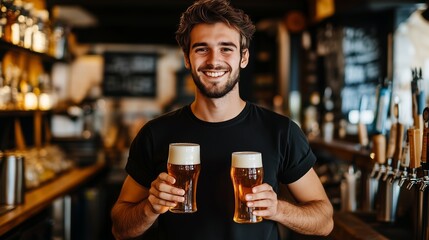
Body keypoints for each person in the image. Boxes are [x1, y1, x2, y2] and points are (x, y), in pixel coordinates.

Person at [110, 0, 334, 239]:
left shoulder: (281, 131)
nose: (214, 60)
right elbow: (119, 228)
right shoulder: (155, 134)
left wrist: (278, 209)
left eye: (226, 48)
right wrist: (149, 208)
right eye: (201, 49)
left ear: (244, 57)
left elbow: (324, 220)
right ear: (187, 58)